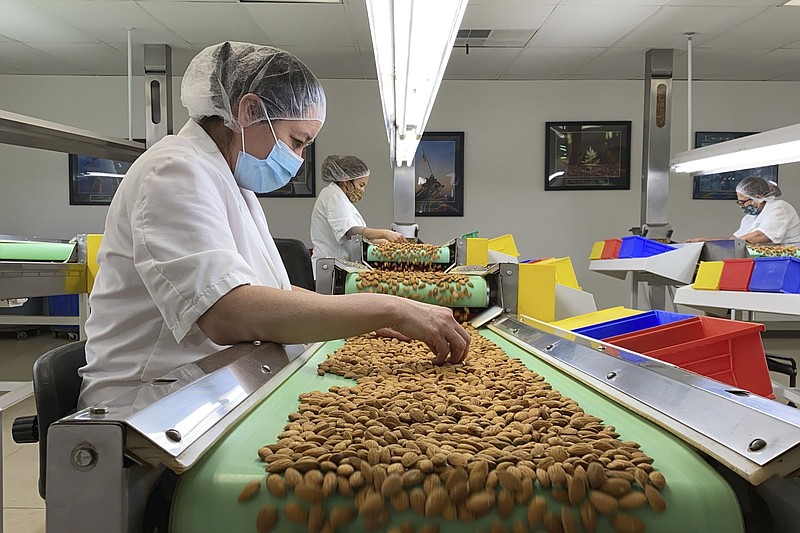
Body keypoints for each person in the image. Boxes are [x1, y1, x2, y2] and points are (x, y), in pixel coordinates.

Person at [77, 42, 470, 408]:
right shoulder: (173, 171)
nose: (298, 158)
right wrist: (389, 308)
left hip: (213, 382)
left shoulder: (234, 184)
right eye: (297, 141)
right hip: (151, 404)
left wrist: (357, 316)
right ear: (248, 111)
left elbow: (272, 292)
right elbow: (227, 312)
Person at [310, 155, 405, 275]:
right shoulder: (333, 196)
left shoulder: (342, 199)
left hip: (340, 267)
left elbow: (357, 239)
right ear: (346, 181)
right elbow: (351, 232)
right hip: (330, 271)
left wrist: (382, 242)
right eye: (361, 185)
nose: (363, 190)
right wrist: (385, 233)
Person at [685, 176, 800, 244]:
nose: (741, 206)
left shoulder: (779, 208)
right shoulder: (750, 217)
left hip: (791, 262)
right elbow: (735, 239)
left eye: (743, 202)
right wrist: (706, 241)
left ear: (758, 197)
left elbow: (759, 237)